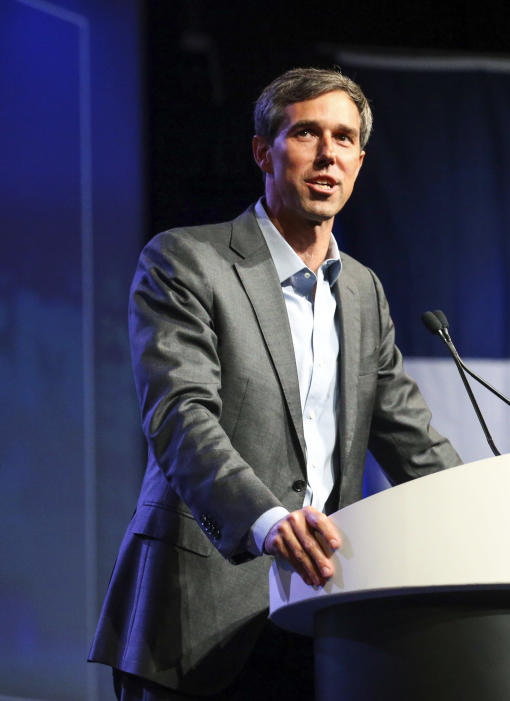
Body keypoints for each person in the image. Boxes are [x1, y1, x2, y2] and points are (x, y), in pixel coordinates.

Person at [89, 68, 461, 699]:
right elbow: (180, 417)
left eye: (343, 139)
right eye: (307, 133)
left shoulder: (364, 291)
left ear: (360, 162)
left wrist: (488, 515)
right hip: (196, 618)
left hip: (318, 617)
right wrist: (268, 521)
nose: (327, 155)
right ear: (263, 150)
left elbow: (415, 446)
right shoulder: (186, 260)